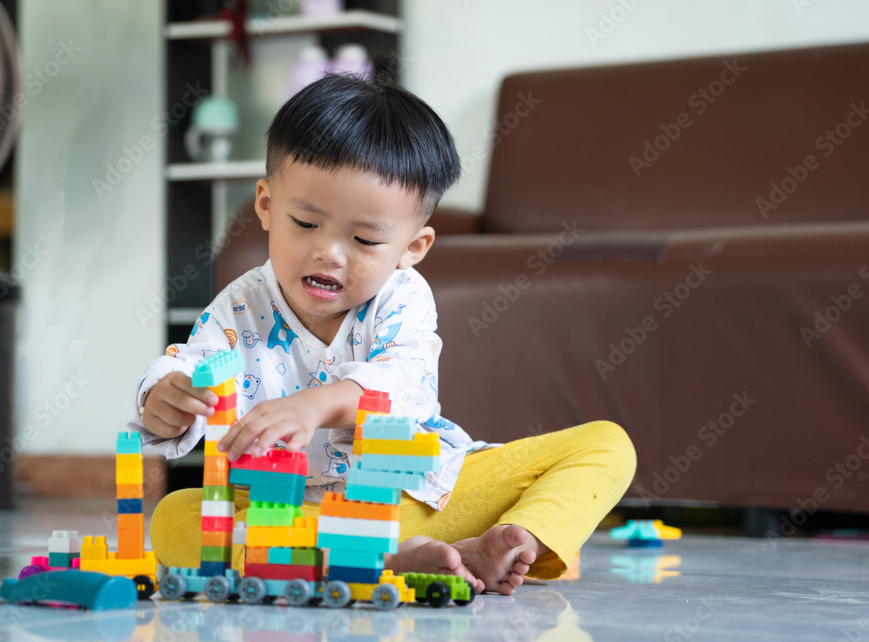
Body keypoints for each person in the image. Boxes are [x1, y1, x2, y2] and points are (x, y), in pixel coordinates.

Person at [129, 74, 636, 596]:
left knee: (607, 445)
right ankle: (390, 558)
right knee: (174, 517)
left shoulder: (403, 297)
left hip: (415, 496)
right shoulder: (240, 304)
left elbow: (402, 385)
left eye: (365, 240)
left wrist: (315, 405)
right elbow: (192, 364)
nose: (329, 253)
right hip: (282, 510)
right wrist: (165, 397)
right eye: (305, 223)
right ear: (265, 204)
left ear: (412, 248)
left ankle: (509, 541)